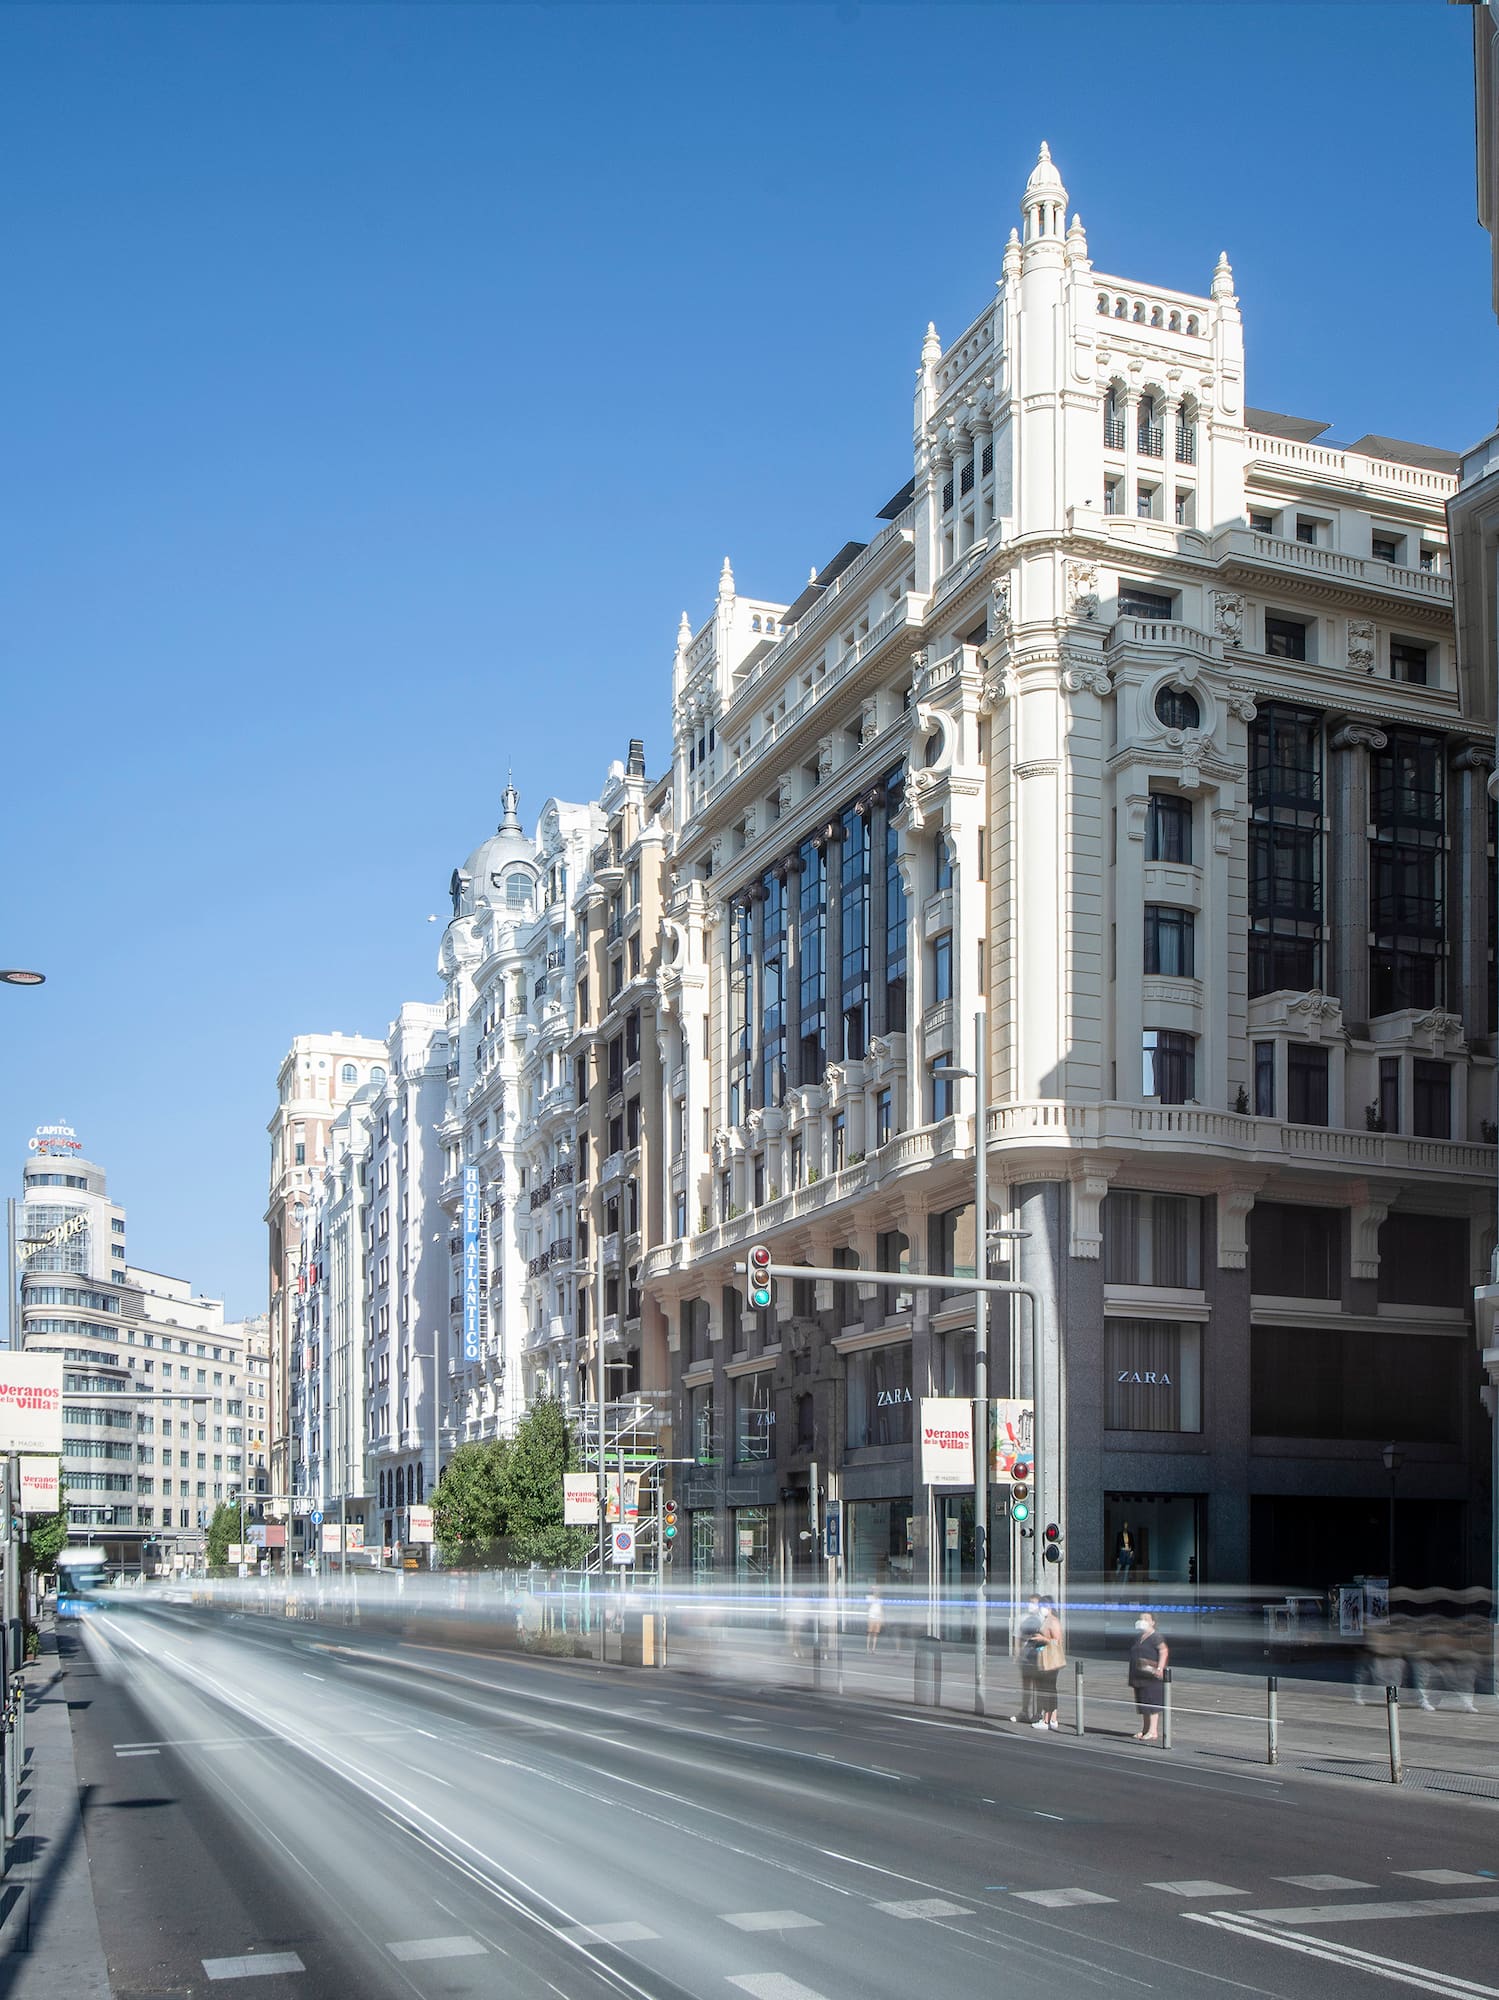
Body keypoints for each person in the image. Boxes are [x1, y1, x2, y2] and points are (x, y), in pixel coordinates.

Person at [1128, 1609, 1168, 1741]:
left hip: (1151, 1675)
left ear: (1153, 1622)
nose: (1142, 1621)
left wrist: (1160, 1668)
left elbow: (1163, 1650)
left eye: (1145, 1619)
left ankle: (1153, 1730)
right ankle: (1145, 1729)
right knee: (1143, 1703)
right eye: (1141, 1618)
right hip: (1139, 1674)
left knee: (1152, 1702)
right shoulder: (1139, 1637)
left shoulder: (1156, 1636)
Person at [1032, 1598, 1065, 1731]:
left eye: (1043, 1606)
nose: (1041, 1609)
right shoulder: (1047, 1620)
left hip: (1051, 1660)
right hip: (1047, 1658)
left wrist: (1042, 1639)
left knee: (1047, 1689)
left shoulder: (1053, 1621)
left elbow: (1057, 1641)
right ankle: (1051, 1719)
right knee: (1049, 1689)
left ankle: (1047, 1720)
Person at [1011, 1593, 1044, 1723]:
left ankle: (1038, 1713)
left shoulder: (1042, 1619)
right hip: (1025, 1656)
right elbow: (1017, 1638)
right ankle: (1024, 1711)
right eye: (1030, 1602)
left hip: (1037, 1655)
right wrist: (1017, 1654)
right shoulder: (1021, 1618)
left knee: (1039, 1685)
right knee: (1026, 1686)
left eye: (1035, 1603)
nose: (1032, 1605)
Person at [865, 1587, 885, 1654]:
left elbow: (881, 1609)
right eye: (875, 1590)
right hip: (871, 1617)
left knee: (875, 1634)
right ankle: (867, 1648)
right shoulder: (869, 1597)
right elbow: (868, 1606)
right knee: (869, 1632)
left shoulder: (880, 1600)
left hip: (878, 1618)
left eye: (877, 1591)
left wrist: (882, 1618)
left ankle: (873, 1649)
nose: (876, 1592)